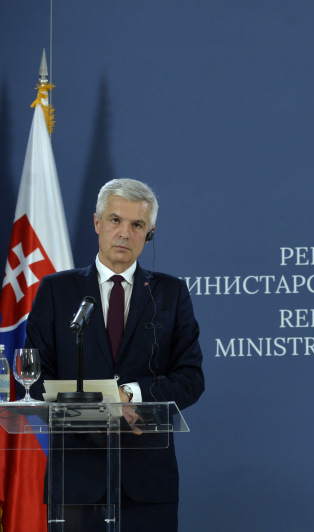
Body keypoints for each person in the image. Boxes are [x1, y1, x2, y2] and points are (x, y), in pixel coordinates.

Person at [24, 178, 205, 532]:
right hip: (77, 482)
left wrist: (130, 394)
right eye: (115, 220)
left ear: (149, 234)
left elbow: (190, 379)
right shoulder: (57, 290)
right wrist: (96, 410)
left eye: (137, 225)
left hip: (148, 484)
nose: (124, 233)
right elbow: (34, 380)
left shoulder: (170, 293)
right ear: (97, 223)